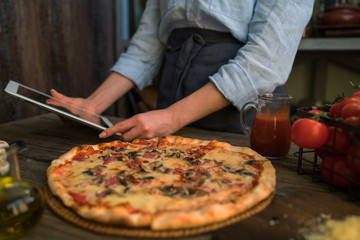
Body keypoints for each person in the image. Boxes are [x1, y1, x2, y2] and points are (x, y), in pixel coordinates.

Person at [49, 0, 314, 141]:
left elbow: (265, 61)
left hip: (241, 109)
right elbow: (146, 45)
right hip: (172, 95)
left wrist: (173, 116)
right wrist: (92, 106)